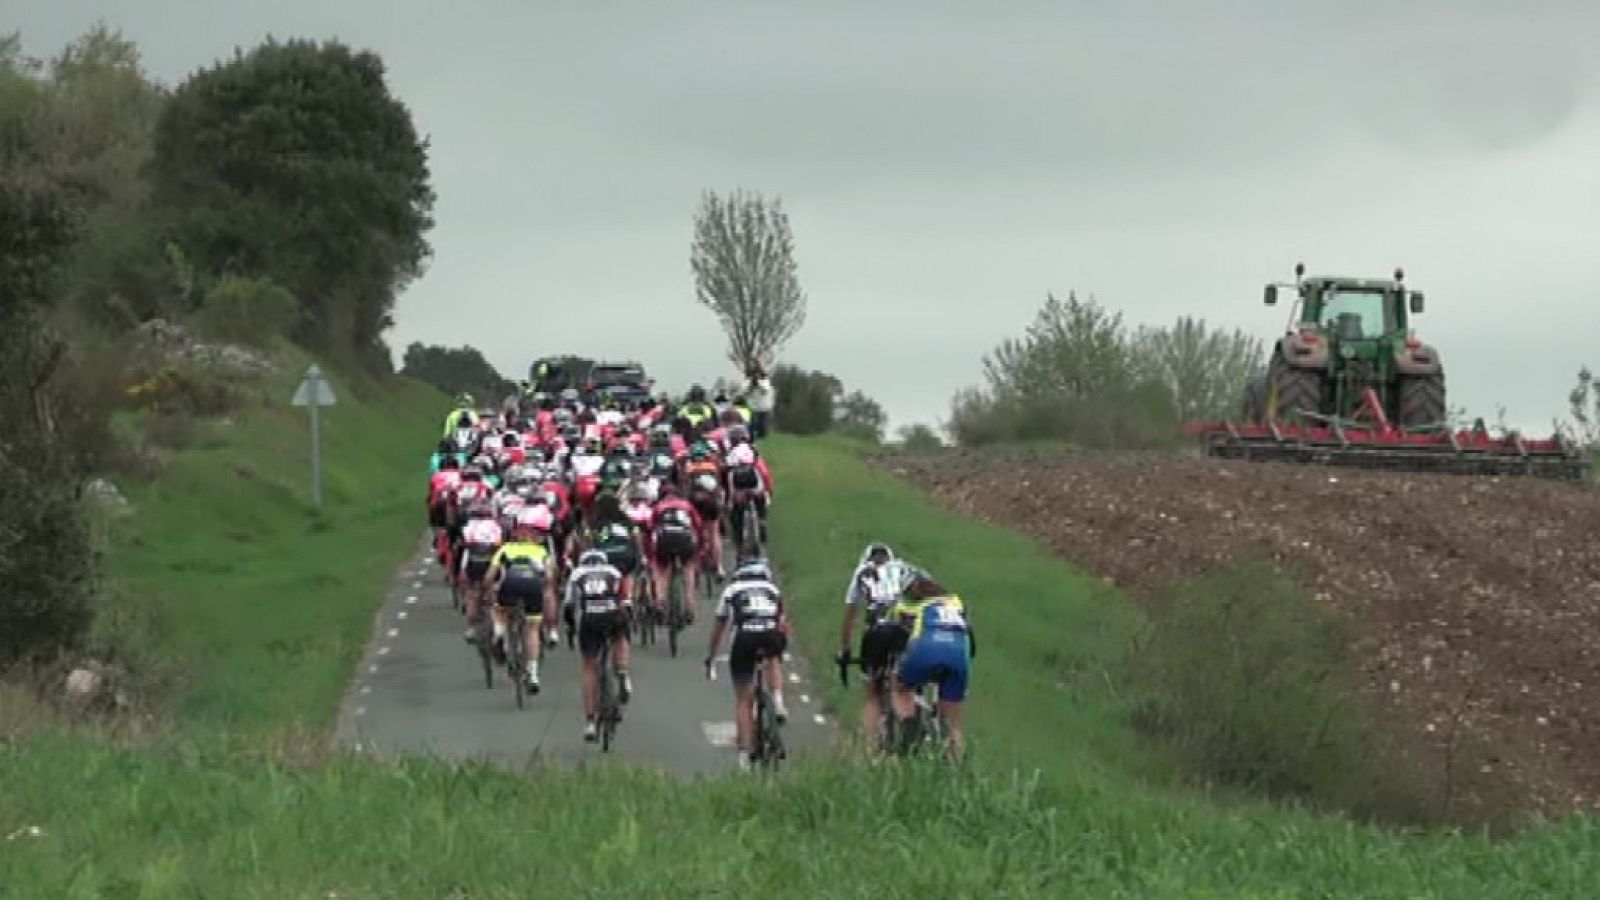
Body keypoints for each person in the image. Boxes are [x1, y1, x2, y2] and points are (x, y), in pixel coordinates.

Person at [704, 557, 788, 771]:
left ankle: (743, 755)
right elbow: (783, 623)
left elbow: (719, 626)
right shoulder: (772, 589)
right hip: (771, 634)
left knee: (744, 699)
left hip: (744, 638)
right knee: (773, 657)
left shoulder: (731, 590)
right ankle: (778, 700)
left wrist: (711, 656)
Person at [890, 571, 975, 760]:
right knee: (954, 725)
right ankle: (956, 769)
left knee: (899, 687)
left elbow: (900, 633)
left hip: (926, 649)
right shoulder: (955, 602)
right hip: (958, 655)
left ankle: (909, 722)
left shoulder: (909, 607)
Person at [835, 543, 911, 748]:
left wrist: (845, 650)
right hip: (903, 629)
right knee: (905, 683)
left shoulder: (862, 572)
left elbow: (851, 615)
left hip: (876, 633)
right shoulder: (902, 569)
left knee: (872, 694)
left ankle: (870, 750)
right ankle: (911, 720)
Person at [564, 549, 633, 742]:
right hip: (612, 614)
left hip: (591, 619)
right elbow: (625, 599)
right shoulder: (613, 571)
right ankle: (623, 673)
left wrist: (570, 627)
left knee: (589, 666)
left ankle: (590, 722)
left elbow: (569, 606)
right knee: (620, 637)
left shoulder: (577, 574)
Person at [486, 512, 556, 694]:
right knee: (532, 628)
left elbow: (489, 577)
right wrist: (546, 588)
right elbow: (549, 576)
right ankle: (533, 674)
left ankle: (499, 634)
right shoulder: (541, 551)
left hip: (510, 584)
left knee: (500, 610)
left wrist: (490, 593)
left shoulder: (505, 549)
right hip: (533, 586)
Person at [649, 482, 704, 619]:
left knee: (660, 568)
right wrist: (700, 548)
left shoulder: (658, 506)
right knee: (688, 568)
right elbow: (698, 526)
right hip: (684, 538)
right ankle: (690, 605)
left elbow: (651, 528)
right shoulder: (687, 505)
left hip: (665, 539)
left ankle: (660, 601)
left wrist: (650, 553)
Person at [457, 502, 504, 644]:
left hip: (473, 561)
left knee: (471, 594)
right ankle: (497, 626)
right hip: (492, 561)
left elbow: (463, 547)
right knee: (494, 595)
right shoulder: (496, 527)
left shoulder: (467, 527)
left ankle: (471, 628)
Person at [745, 366, 773, 439]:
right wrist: (751, 386)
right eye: (754, 373)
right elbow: (745, 392)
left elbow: (765, 390)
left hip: (764, 407)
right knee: (752, 424)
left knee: (762, 428)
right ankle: (750, 436)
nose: (756, 375)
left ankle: (760, 435)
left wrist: (758, 384)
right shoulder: (748, 382)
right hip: (753, 407)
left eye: (757, 373)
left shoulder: (765, 381)